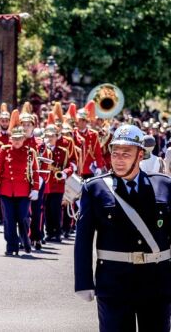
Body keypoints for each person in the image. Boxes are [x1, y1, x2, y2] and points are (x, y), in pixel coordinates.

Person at [75, 124, 171, 331]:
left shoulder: (163, 186)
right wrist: (83, 281)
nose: (119, 159)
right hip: (113, 284)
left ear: (140, 156)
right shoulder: (95, 188)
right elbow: (83, 239)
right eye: (115, 153)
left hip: (157, 283)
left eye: (126, 154)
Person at [0, 112, 39, 256]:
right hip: (6, 191)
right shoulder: (5, 150)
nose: (17, 141)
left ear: (24, 139)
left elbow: (35, 171)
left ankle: (25, 240)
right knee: (9, 220)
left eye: (20, 139)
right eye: (14, 139)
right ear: (10, 139)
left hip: (23, 191)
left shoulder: (30, 152)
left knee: (23, 218)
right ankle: (11, 245)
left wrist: (35, 188)